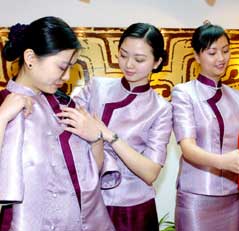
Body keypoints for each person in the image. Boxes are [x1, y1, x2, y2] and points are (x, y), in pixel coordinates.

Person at [0, 16, 115, 231]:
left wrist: (95, 138)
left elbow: (90, 177)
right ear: (30, 57)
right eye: (62, 67)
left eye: (71, 67)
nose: (67, 76)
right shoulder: (3, 103)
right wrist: (2, 117)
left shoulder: (66, 105)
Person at [60, 22, 172, 231]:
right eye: (123, 55)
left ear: (156, 62)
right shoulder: (96, 87)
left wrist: (107, 134)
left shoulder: (161, 109)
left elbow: (150, 172)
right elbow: (65, 125)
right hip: (88, 198)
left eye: (139, 59)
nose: (129, 64)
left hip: (132, 209)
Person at [171, 23, 239, 231]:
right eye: (212, 52)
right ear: (196, 55)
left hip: (231, 196)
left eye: (225, 51)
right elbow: (188, 148)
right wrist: (224, 162)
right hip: (196, 195)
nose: (221, 58)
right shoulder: (184, 93)